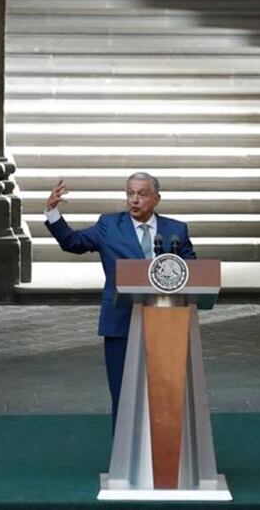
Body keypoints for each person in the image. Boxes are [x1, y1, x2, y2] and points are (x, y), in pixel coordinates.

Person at [44, 172, 196, 423]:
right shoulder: (109, 225)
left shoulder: (176, 229)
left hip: (167, 322)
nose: (134, 200)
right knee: (123, 393)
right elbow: (73, 242)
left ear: (156, 198)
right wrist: (52, 213)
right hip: (121, 321)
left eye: (142, 194)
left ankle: (165, 458)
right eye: (130, 193)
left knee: (166, 393)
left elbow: (192, 271)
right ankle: (124, 459)